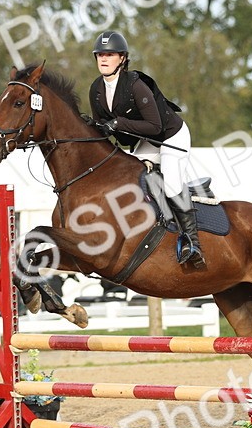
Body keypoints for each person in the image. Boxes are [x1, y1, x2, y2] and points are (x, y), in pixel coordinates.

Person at [87, 30, 205, 269]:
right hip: (147, 140)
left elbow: (154, 125)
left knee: (171, 184)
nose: (104, 59)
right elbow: (102, 129)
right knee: (133, 180)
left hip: (171, 136)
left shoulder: (136, 85)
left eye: (110, 54)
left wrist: (118, 123)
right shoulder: (96, 89)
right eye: (100, 54)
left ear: (122, 58)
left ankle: (192, 244)